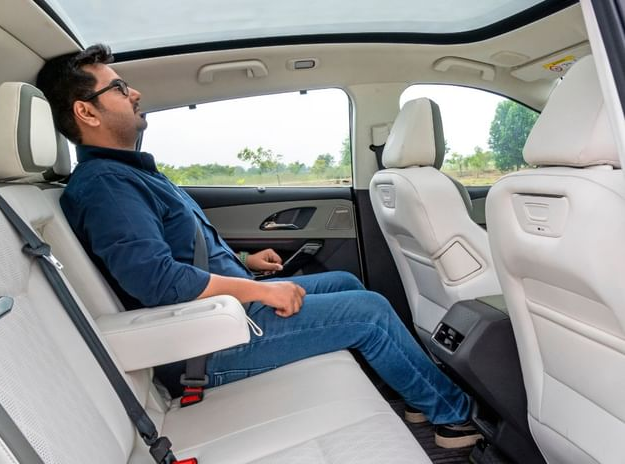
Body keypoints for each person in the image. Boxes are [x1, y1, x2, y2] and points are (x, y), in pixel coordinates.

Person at [37, 44, 480, 449]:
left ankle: (421, 395)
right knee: (370, 313)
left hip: (220, 315)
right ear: (86, 111)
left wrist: (244, 261)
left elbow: (176, 248)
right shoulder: (107, 186)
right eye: (118, 88)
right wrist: (258, 291)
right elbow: (156, 281)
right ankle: (456, 418)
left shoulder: (127, 174)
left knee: (345, 281)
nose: (134, 93)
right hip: (204, 344)